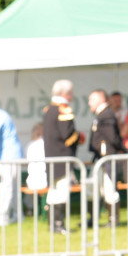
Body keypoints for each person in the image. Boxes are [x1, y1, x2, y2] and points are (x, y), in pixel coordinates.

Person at [42, 79, 84, 234]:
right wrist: (80, 137)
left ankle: (54, 224)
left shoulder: (49, 110)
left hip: (51, 157)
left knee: (53, 191)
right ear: (65, 93)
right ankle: (58, 225)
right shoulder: (63, 110)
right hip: (63, 157)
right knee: (61, 191)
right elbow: (68, 135)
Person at [87, 89, 124, 225]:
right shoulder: (102, 115)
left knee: (109, 190)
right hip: (100, 160)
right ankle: (93, 220)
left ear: (100, 99)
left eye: (91, 99)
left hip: (107, 160)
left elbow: (112, 138)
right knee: (93, 189)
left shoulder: (106, 115)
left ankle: (113, 220)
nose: (89, 103)